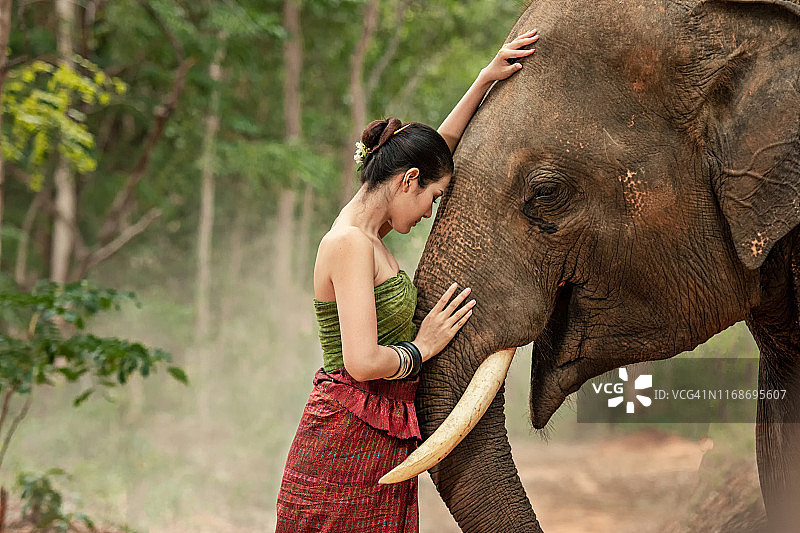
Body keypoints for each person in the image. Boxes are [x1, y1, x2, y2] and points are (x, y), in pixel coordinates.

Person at [275, 29, 539, 533]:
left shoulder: (370, 234)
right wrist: (424, 345)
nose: (427, 213)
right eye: (432, 199)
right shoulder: (350, 244)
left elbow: (439, 148)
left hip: (379, 435)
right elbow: (362, 361)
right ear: (407, 180)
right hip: (344, 444)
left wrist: (485, 79)